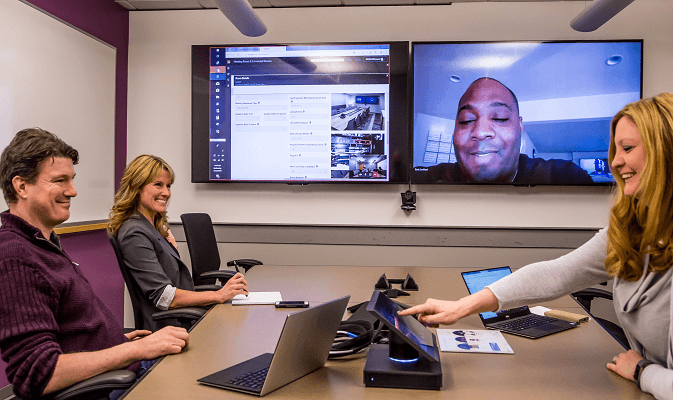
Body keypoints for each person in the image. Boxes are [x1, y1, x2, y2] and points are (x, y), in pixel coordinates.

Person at [400, 93, 673, 399]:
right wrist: (460, 307)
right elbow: (558, 273)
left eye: (628, 148)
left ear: (665, 150)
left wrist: (642, 371)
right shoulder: (631, 229)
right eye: (616, 150)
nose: (616, 161)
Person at [0, 128, 189, 399]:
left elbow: (72, 332)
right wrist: (134, 350)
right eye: (60, 180)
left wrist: (119, 342)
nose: (73, 191)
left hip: (119, 365)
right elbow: (38, 373)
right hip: (113, 385)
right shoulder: (15, 256)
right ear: (21, 186)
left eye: (72, 180)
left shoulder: (43, 243)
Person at [107, 155, 249, 332]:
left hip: (180, 320)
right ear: (136, 187)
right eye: (158, 185)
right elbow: (163, 296)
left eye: (168, 186)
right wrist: (218, 295)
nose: (166, 193)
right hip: (169, 329)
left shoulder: (151, 228)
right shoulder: (134, 233)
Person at [423, 77, 594, 184]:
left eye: (500, 117)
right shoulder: (426, 181)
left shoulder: (564, 177)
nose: (481, 132)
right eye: (466, 120)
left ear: (520, 126)